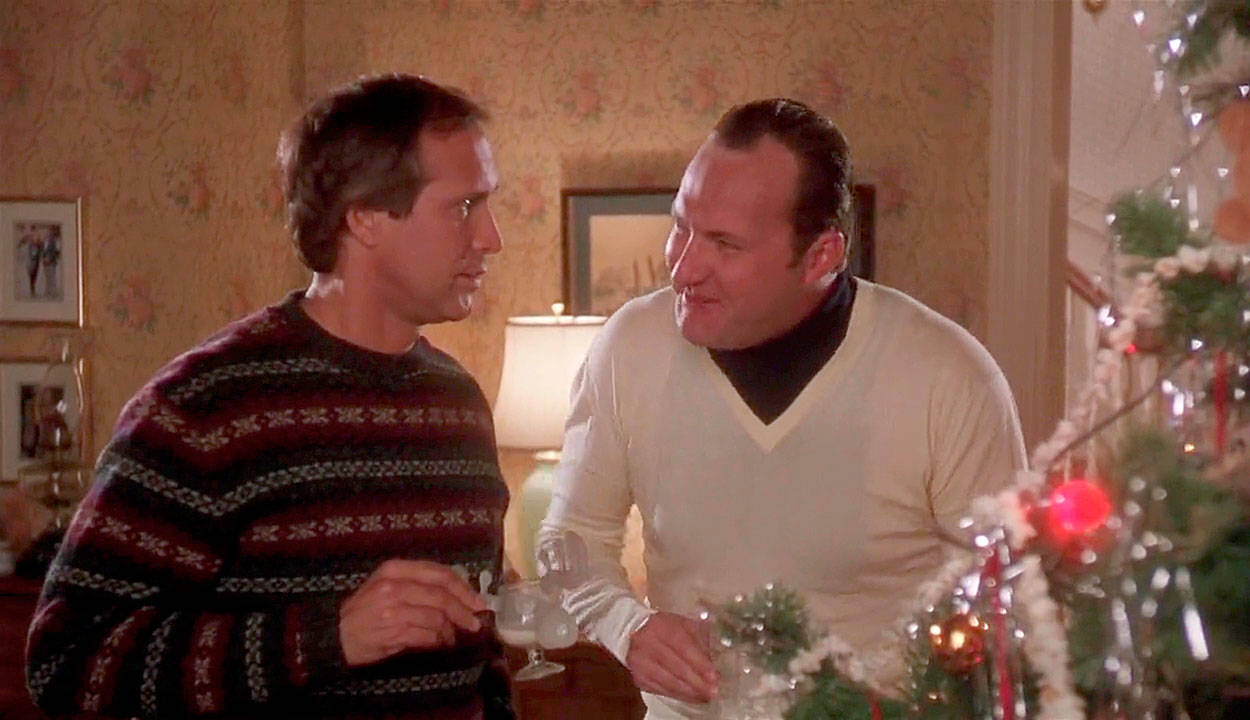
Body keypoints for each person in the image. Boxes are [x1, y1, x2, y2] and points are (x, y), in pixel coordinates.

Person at [26, 74, 513, 720]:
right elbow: (67, 663)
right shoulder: (206, 407)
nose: (491, 237)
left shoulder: (458, 405)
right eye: (463, 207)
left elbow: (483, 661)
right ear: (365, 216)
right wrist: (327, 638)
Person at [539, 98, 1027, 719]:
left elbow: (1008, 605)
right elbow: (570, 541)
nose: (683, 268)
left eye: (724, 244)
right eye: (681, 225)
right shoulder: (629, 346)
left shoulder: (948, 378)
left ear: (821, 256)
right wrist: (624, 626)